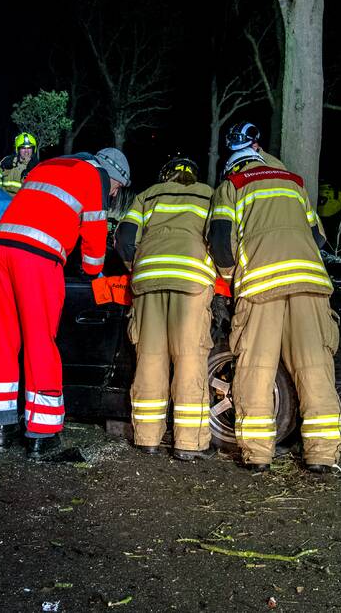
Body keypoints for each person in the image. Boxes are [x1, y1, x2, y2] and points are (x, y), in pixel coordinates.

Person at [0, 147, 130, 459]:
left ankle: (0, 427)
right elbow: (93, 233)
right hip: (37, 256)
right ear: (113, 176)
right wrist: (92, 271)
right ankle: (42, 434)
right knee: (40, 341)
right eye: (116, 189)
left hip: (1, 248)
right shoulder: (96, 175)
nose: (112, 193)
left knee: (3, 339)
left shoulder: (51, 165)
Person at [207, 147, 341, 474]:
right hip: (309, 284)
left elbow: (221, 242)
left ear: (233, 166)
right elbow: (318, 238)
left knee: (256, 368)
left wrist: (230, 279)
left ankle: (257, 457)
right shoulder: (294, 183)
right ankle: (322, 456)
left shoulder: (233, 185)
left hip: (261, 286)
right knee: (314, 368)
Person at [115, 156, 216, 461]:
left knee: (150, 357)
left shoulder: (148, 195)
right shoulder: (209, 194)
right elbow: (222, 236)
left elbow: (123, 238)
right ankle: (189, 443)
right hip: (191, 279)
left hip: (148, 279)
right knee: (189, 358)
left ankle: (147, 438)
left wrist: (140, 266)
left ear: (166, 174)